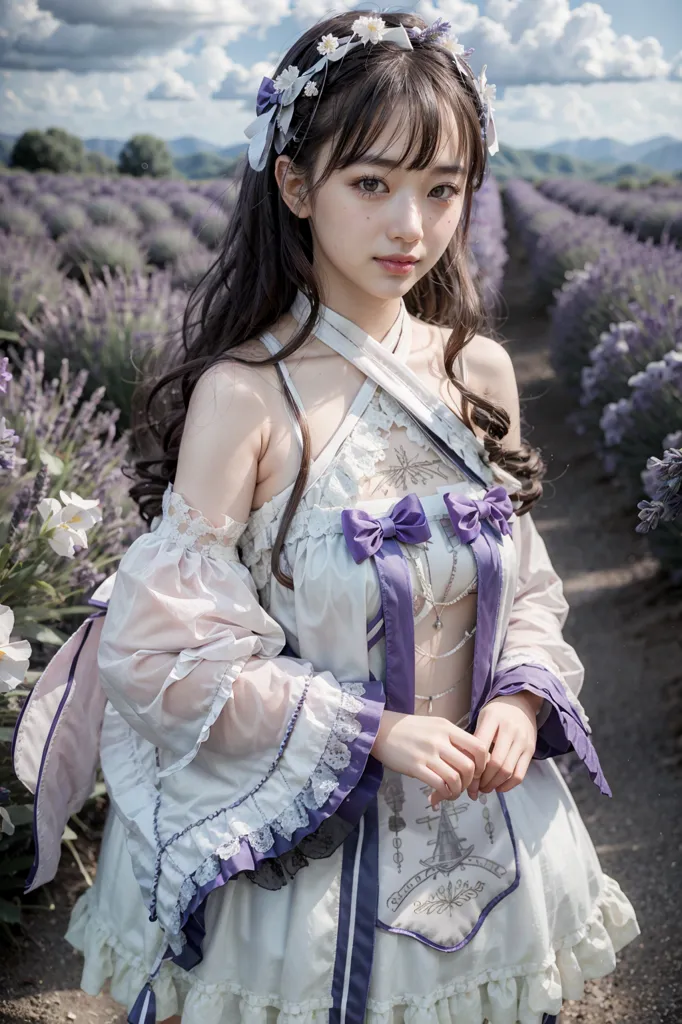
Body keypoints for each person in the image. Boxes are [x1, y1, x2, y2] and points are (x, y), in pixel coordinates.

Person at [12, 10, 640, 1024]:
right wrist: (373, 729)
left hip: (481, 833)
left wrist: (518, 705)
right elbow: (170, 656)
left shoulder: (477, 373)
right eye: (371, 184)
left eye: (442, 189)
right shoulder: (246, 395)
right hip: (292, 860)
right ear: (296, 185)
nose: (411, 226)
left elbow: (524, 585)